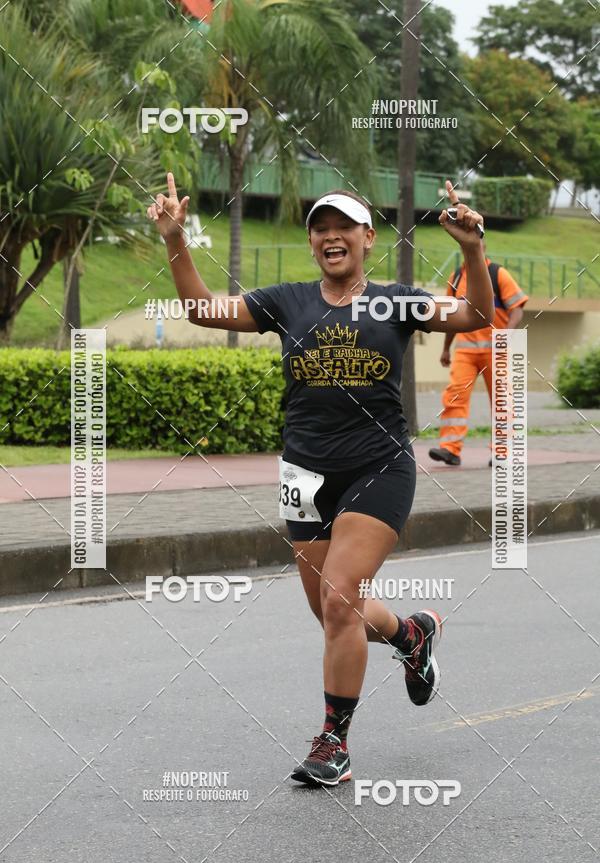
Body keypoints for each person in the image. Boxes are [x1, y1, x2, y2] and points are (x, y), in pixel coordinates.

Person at [147, 175, 493, 787]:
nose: (331, 237)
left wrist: (471, 250)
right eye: (320, 229)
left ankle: (334, 743)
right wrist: (176, 239)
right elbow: (203, 310)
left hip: (378, 467)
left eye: (343, 228)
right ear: (312, 242)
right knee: (337, 610)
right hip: (304, 473)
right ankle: (411, 635)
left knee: (340, 598)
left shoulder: (396, 301)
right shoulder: (287, 301)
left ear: (368, 238)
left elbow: (476, 314)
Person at [429, 245, 528, 466]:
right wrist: (446, 348)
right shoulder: (456, 277)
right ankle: (450, 449)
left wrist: (505, 336)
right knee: (455, 396)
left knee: (503, 401)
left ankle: (503, 452)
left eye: (476, 247)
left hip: (496, 351)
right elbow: (450, 314)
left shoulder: (497, 273)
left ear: (483, 248)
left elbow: (517, 309)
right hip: (465, 351)